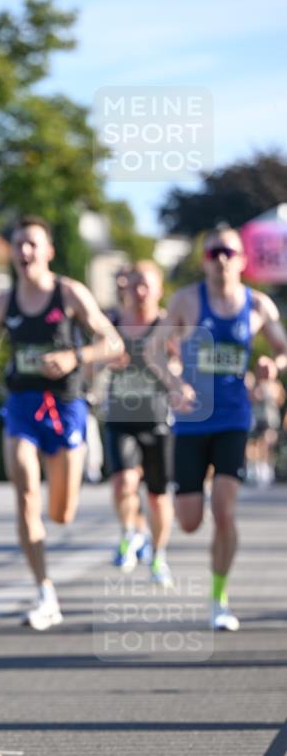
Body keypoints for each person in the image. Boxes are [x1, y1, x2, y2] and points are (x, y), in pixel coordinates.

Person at [0, 215, 123, 630]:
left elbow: (112, 342)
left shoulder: (69, 293)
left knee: (63, 513)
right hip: (22, 403)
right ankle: (44, 592)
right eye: (19, 244)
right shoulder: (3, 304)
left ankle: (51, 563)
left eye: (33, 244)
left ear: (48, 251)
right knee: (24, 494)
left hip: (67, 404)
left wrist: (76, 357)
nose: (25, 252)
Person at [146, 227, 287, 631]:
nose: (221, 258)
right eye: (213, 253)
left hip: (233, 418)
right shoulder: (188, 301)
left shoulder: (257, 305)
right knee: (190, 521)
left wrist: (272, 367)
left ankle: (219, 598)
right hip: (191, 420)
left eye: (229, 251)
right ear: (205, 260)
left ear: (242, 259)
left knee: (224, 513)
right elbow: (155, 349)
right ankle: (192, 500)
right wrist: (175, 384)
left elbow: (282, 348)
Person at [104, 260, 174, 585]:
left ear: (159, 289)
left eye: (146, 284)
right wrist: (104, 360)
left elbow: (182, 367)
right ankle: (129, 533)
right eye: (134, 285)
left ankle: (158, 555)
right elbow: (89, 362)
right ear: (126, 289)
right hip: (120, 417)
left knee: (157, 496)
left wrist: (163, 363)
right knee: (123, 483)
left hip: (157, 419)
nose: (140, 291)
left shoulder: (167, 324)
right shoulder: (112, 324)